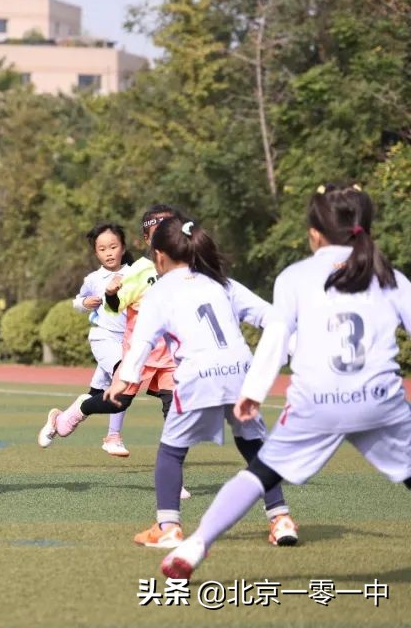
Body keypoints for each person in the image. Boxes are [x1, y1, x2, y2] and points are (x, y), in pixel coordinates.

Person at [161, 184, 411, 578]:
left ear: (314, 233)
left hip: (317, 403)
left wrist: (253, 392)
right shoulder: (388, 275)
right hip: (379, 399)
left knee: (259, 473)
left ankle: (195, 545)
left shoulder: (294, 277)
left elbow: (275, 340)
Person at [107, 216, 296, 549]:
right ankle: (280, 519)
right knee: (253, 445)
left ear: (160, 256)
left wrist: (125, 379)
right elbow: (273, 317)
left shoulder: (160, 291)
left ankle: (167, 526)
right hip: (241, 374)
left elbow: (142, 341)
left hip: (198, 376)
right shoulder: (221, 282)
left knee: (171, 452)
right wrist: (292, 351)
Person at [38, 205, 181, 447]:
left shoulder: (187, 268)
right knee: (118, 400)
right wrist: (110, 293)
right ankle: (82, 408)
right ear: (147, 239)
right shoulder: (138, 272)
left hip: (170, 359)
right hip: (136, 352)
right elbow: (115, 306)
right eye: (158, 232)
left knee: (175, 416)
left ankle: (172, 480)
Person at [71, 223, 133, 457]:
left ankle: (60, 421)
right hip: (104, 337)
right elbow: (77, 302)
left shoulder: (136, 274)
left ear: (123, 248)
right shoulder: (94, 278)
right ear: (96, 253)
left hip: (128, 342)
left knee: (96, 393)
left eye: (113, 246)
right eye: (102, 249)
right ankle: (113, 437)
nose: (108, 252)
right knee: (123, 377)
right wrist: (84, 304)